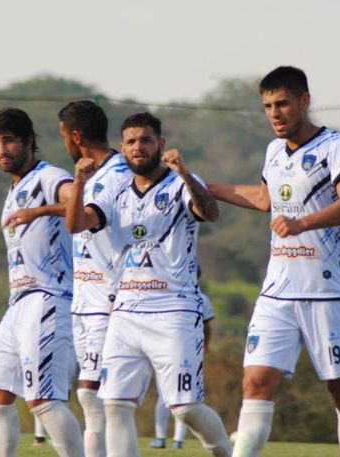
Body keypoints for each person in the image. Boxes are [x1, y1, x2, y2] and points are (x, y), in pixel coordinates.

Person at [208, 66, 340, 457]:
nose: (275, 113)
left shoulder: (337, 146)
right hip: (277, 293)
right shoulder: (273, 151)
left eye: (282, 103)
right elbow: (264, 200)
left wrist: (302, 223)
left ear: (304, 101)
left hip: (328, 292)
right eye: (267, 106)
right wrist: (200, 184)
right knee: (256, 383)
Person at [66, 112, 232, 457]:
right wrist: (80, 182)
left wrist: (184, 172)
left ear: (161, 143)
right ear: (122, 148)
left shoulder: (179, 182)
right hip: (125, 311)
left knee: (184, 408)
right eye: (130, 142)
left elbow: (210, 212)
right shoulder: (114, 188)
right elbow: (77, 224)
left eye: (145, 140)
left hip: (174, 310)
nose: (137, 148)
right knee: (114, 403)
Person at [4, 100, 132, 457]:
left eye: (63, 135)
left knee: (109, 397)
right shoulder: (97, 171)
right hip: (86, 298)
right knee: (91, 394)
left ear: (75, 136)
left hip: (116, 293)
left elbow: (80, 214)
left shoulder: (116, 172)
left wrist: (38, 210)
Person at [0, 107, 83, 457]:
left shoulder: (48, 176)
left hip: (49, 297)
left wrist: (40, 210)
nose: (2, 150)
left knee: (42, 400)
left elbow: (78, 203)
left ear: (28, 141)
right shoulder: (15, 189)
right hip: (19, 303)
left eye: (9, 140)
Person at [149, 275, 216, 450]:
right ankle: (168, 439)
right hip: (176, 350)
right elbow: (207, 327)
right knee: (180, 396)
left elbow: (206, 326)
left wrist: (205, 346)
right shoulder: (200, 298)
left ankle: (169, 439)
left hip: (180, 350)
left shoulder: (195, 297)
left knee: (174, 397)